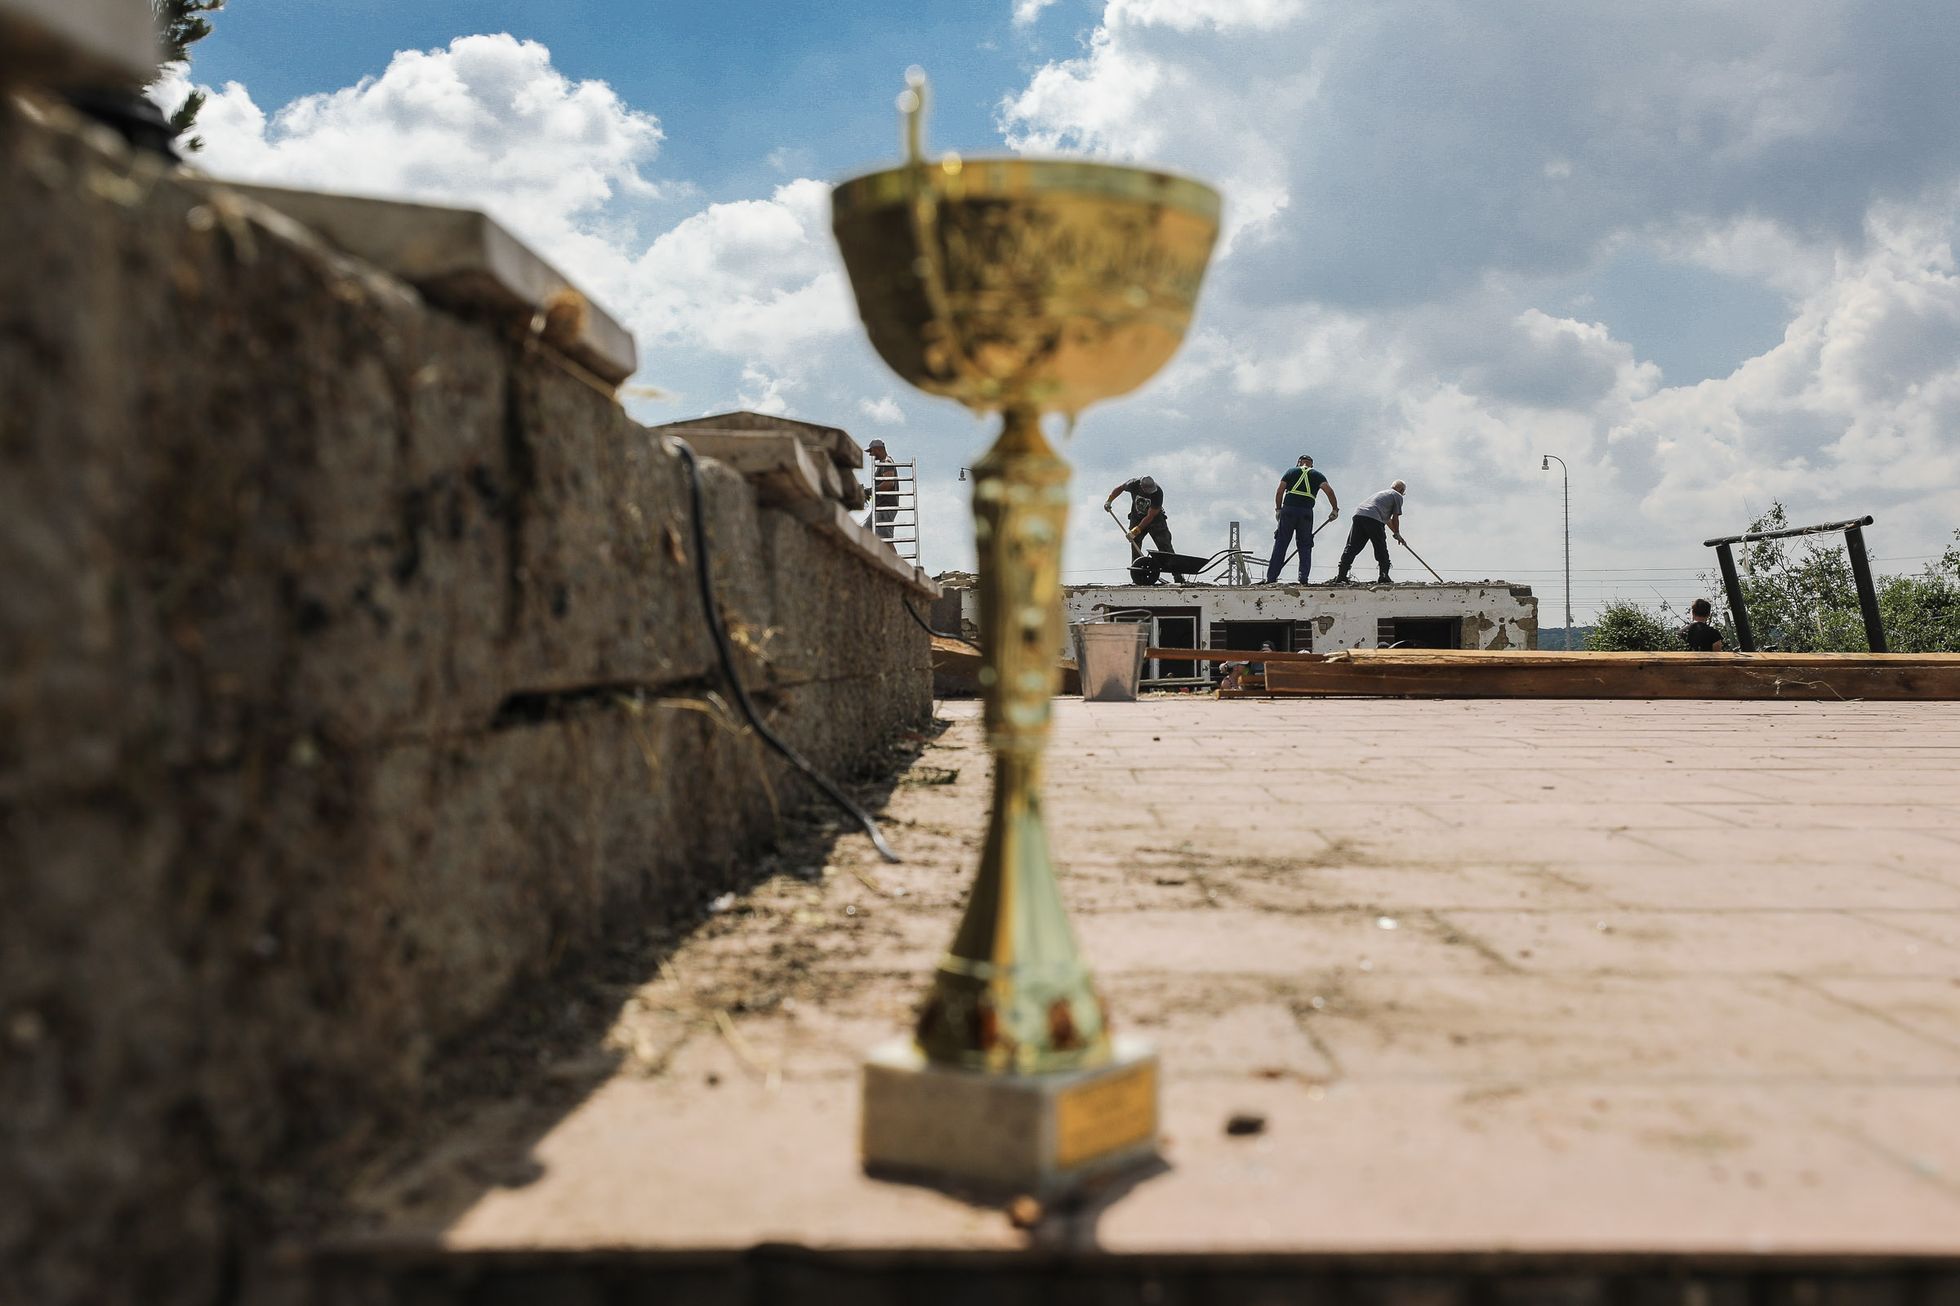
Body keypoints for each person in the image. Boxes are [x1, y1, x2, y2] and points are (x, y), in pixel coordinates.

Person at [1265, 454, 1339, 583]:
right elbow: (1329, 491)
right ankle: (1303, 578)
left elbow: (1279, 491)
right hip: (1306, 512)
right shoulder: (1317, 475)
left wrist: (1278, 509)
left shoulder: (1291, 471)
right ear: (1311, 464)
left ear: (1299, 462)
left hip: (1288, 510)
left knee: (1281, 543)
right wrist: (1334, 509)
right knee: (1305, 544)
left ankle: (1271, 578)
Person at [1105, 475, 1186, 582]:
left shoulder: (1157, 493)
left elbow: (1150, 516)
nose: (1150, 492)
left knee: (1165, 548)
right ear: (1141, 486)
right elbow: (1119, 488)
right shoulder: (1133, 484)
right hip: (1137, 518)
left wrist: (1136, 530)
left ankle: (1178, 576)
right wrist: (1109, 500)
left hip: (1156, 521)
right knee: (1135, 546)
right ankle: (1138, 577)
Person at [1333, 480, 1406, 585]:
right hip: (1373, 518)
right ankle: (1384, 576)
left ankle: (1341, 576)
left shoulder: (1383, 494)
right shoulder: (1397, 496)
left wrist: (1397, 533)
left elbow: (1388, 520)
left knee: (1352, 546)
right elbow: (1395, 517)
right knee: (1380, 547)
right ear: (1401, 490)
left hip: (1359, 515)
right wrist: (1397, 532)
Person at [866, 439, 899, 540]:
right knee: (866, 532)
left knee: (884, 540)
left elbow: (889, 483)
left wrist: (870, 491)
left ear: (878, 449)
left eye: (871, 451)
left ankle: (893, 556)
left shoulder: (886, 462)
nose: (870, 454)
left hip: (886, 507)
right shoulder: (883, 463)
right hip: (880, 507)